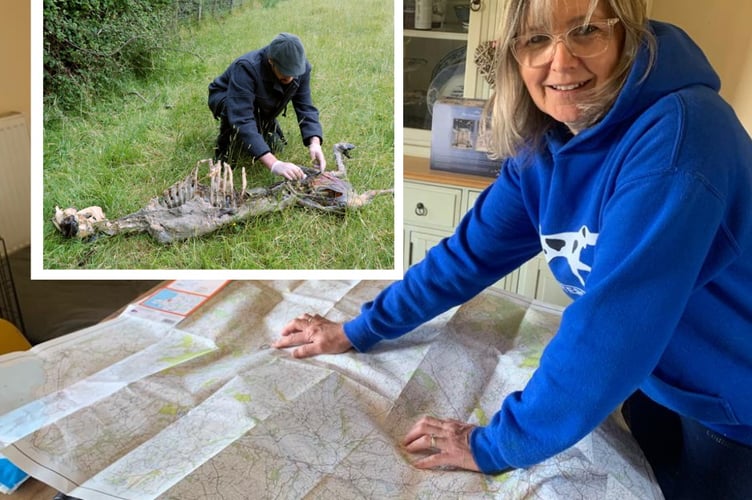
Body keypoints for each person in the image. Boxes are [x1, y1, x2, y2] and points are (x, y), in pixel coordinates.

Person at [273, 0, 752, 498]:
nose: (560, 63)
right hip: (657, 384)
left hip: (735, 408)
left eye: (586, 31)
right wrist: (358, 330)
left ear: (625, 36)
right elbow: (464, 259)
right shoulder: (548, 142)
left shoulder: (681, 139)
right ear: (514, 56)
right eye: (536, 39)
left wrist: (495, 446)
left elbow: (611, 331)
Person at [208, 32, 326, 180]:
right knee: (238, 121)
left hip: (260, 102)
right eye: (285, 72)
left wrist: (314, 143)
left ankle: (262, 126)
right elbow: (241, 118)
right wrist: (274, 164)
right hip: (226, 97)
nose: (290, 78)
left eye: (293, 74)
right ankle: (225, 151)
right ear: (271, 61)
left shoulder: (301, 69)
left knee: (276, 147)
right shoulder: (246, 67)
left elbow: (305, 106)